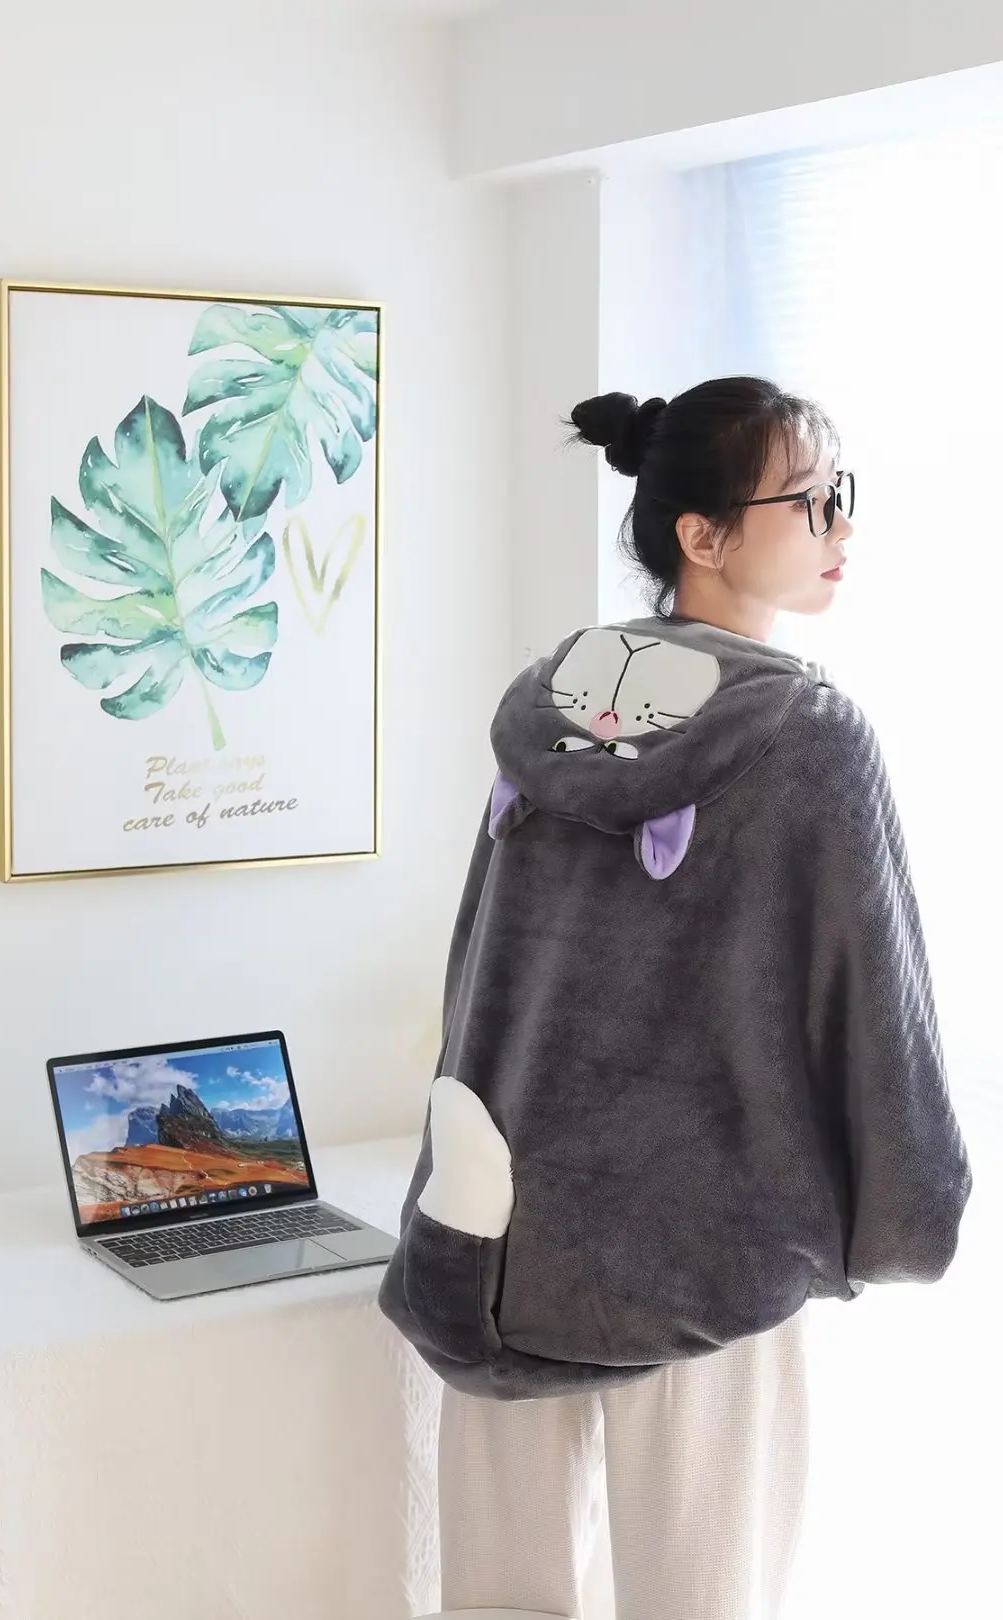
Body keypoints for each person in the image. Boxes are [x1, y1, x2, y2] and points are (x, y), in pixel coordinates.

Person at [379, 378, 972, 1620]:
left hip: (502, 1238)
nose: (843, 528)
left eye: (841, 496)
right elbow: (877, 1004)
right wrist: (908, 1215)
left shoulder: (552, 704)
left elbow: (481, 964)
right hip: (710, 1252)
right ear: (702, 535)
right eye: (814, 503)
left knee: (498, 1603)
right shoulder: (810, 734)